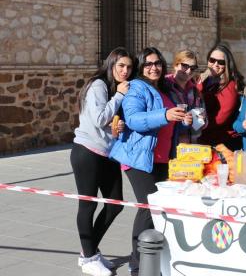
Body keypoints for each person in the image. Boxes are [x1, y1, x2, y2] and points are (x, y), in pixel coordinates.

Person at [109, 47, 192, 273]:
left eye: (157, 63)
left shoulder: (163, 89)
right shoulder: (137, 87)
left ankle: (155, 258)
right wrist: (165, 115)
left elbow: (168, 122)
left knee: (158, 208)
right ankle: (137, 264)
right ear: (140, 67)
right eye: (148, 64)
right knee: (147, 207)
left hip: (161, 158)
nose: (153, 67)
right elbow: (135, 119)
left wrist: (182, 119)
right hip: (138, 157)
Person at [71, 47, 134, 276]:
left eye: (128, 67)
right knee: (88, 205)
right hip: (87, 151)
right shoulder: (98, 85)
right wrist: (119, 95)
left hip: (107, 153)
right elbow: (99, 119)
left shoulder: (115, 88)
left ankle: (88, 252)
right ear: (111, 64)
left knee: (115, 203)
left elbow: (110, 121)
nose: (125, 71)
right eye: (121, 66)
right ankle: (89, 258)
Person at [196, 44, 243, 150]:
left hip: (223, 142)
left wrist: (195, 124)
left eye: (221, 62)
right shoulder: (205, 79)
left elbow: (220, 118)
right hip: (205, 138)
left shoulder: (230, 86)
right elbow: (196, 101)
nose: (215, 64)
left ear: (227, 65)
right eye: (212, 60)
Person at [165, 50, 206, 157]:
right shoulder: (165, 87)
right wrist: (183, 123)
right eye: (184, 66)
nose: (188, 71)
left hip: (191, 149)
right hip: (170, 149)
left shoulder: (195, 90)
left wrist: (203, 120)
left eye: (192, 68)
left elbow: (203, 121)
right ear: (175, 65)